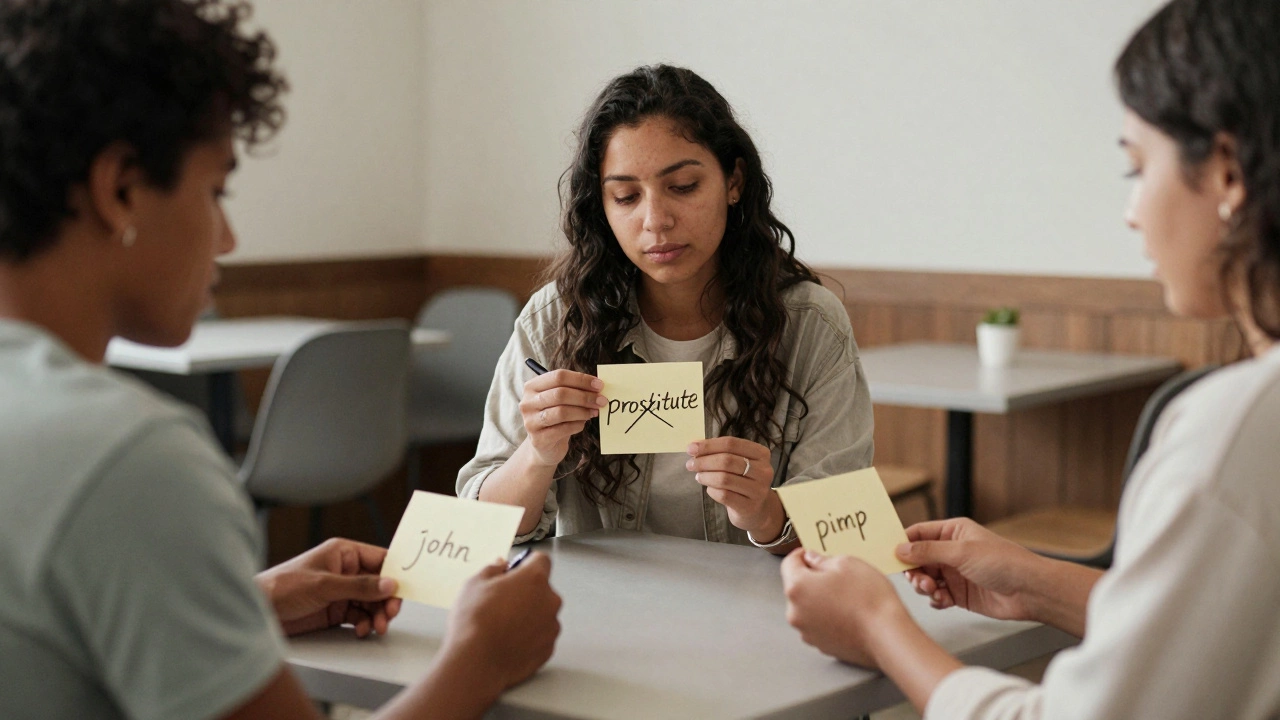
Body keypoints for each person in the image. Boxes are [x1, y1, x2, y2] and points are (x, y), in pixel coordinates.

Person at [0, 1, 560, 719]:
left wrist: (250, 604)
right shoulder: (128, 461)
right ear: (121, 189)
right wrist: (479, 657)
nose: (227, 238)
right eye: (216, 189)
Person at [781, 0, 1280, 717]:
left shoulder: (1235, 429)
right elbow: (1210, 633)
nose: (1131, 211)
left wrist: (878, 627)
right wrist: (1038, 583)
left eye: (1137, 169)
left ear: (1227, 172)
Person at [457, 65, 875, 552]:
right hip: (598, 613)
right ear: (602, 206)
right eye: (626, 196)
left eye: (683, 187)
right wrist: (537, 455)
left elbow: (846, 528)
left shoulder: (810, 324)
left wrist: (765, 513)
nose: (655, 221)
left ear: (733, 181)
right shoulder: (554, 318)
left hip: (757, 616)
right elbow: (478, 530)